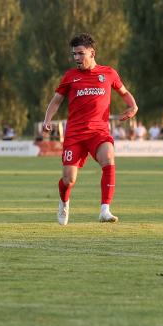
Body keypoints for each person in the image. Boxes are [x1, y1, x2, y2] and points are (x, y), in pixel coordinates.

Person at [41, 33, 138, 225]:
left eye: (80, 53)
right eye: (74, 54)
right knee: (69, 180)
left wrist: (133, 107)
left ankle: (105, 210)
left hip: (99, 132)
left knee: (109, 157)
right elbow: (56, 100)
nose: (76, 58)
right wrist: (47, 119)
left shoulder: (109, 73)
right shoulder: (70, 76)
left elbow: (124, 93)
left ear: (92, 53)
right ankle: (64, 201)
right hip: (75, 134)